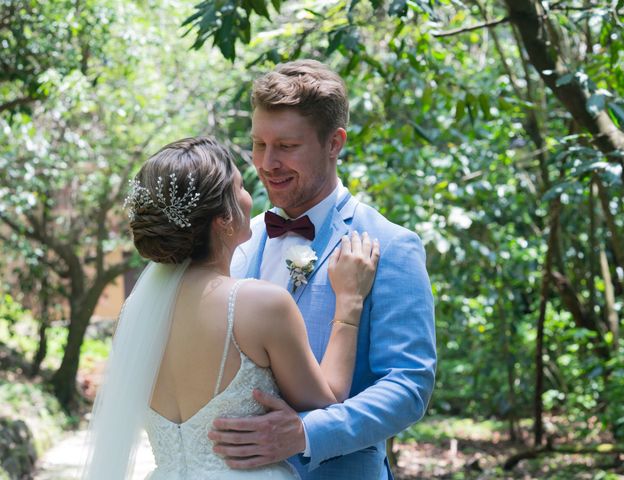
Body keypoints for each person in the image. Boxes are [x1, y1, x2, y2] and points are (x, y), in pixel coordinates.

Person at [81, 136, 380, 480]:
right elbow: (326, 401)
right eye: (240, 186)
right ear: (223, 218)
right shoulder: (260, 304)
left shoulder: (131, 317)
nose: (250, 196)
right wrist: (350, 300)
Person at [211, 59, 437, 479]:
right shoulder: (240, 240)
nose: (267, 163)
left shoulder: (391, 245)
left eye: (287, 146)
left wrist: (304, 433)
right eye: (259, 144)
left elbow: (408, 386)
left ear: (334, 143)